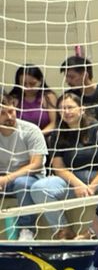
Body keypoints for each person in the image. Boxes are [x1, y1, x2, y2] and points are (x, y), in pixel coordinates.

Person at [28, 91, 98, 237]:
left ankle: (92, 231)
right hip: (71, 180)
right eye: (62, 109)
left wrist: (92, 186)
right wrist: (77, 185)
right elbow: (58, 167)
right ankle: (64, 230)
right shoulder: (58, 134)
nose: (66, 112)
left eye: (70, 107)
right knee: (39, 188)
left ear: (82, 109)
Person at [0, 93, 49, 223]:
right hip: (2, 179)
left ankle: (26, 229)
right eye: (2, 113)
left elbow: (36, 164)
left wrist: (7, 178)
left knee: (22, 183)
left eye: (11, 111)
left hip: (30, 178)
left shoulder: (31, 130)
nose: (9, 117)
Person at [60, 53, 98, 129]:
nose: (67, 81)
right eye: (66, 77)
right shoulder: (68, 96)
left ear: (85, 75)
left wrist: (91, 131)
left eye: (72, 77)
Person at [7, 64, 57, 133]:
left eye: (32, 84)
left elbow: (54, 123)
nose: (28, 87)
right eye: (24, 84)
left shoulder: (48, 97)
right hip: (20, 137)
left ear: (41, 81)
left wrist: (37, 135)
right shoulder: (13, 99)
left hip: (44, 136)